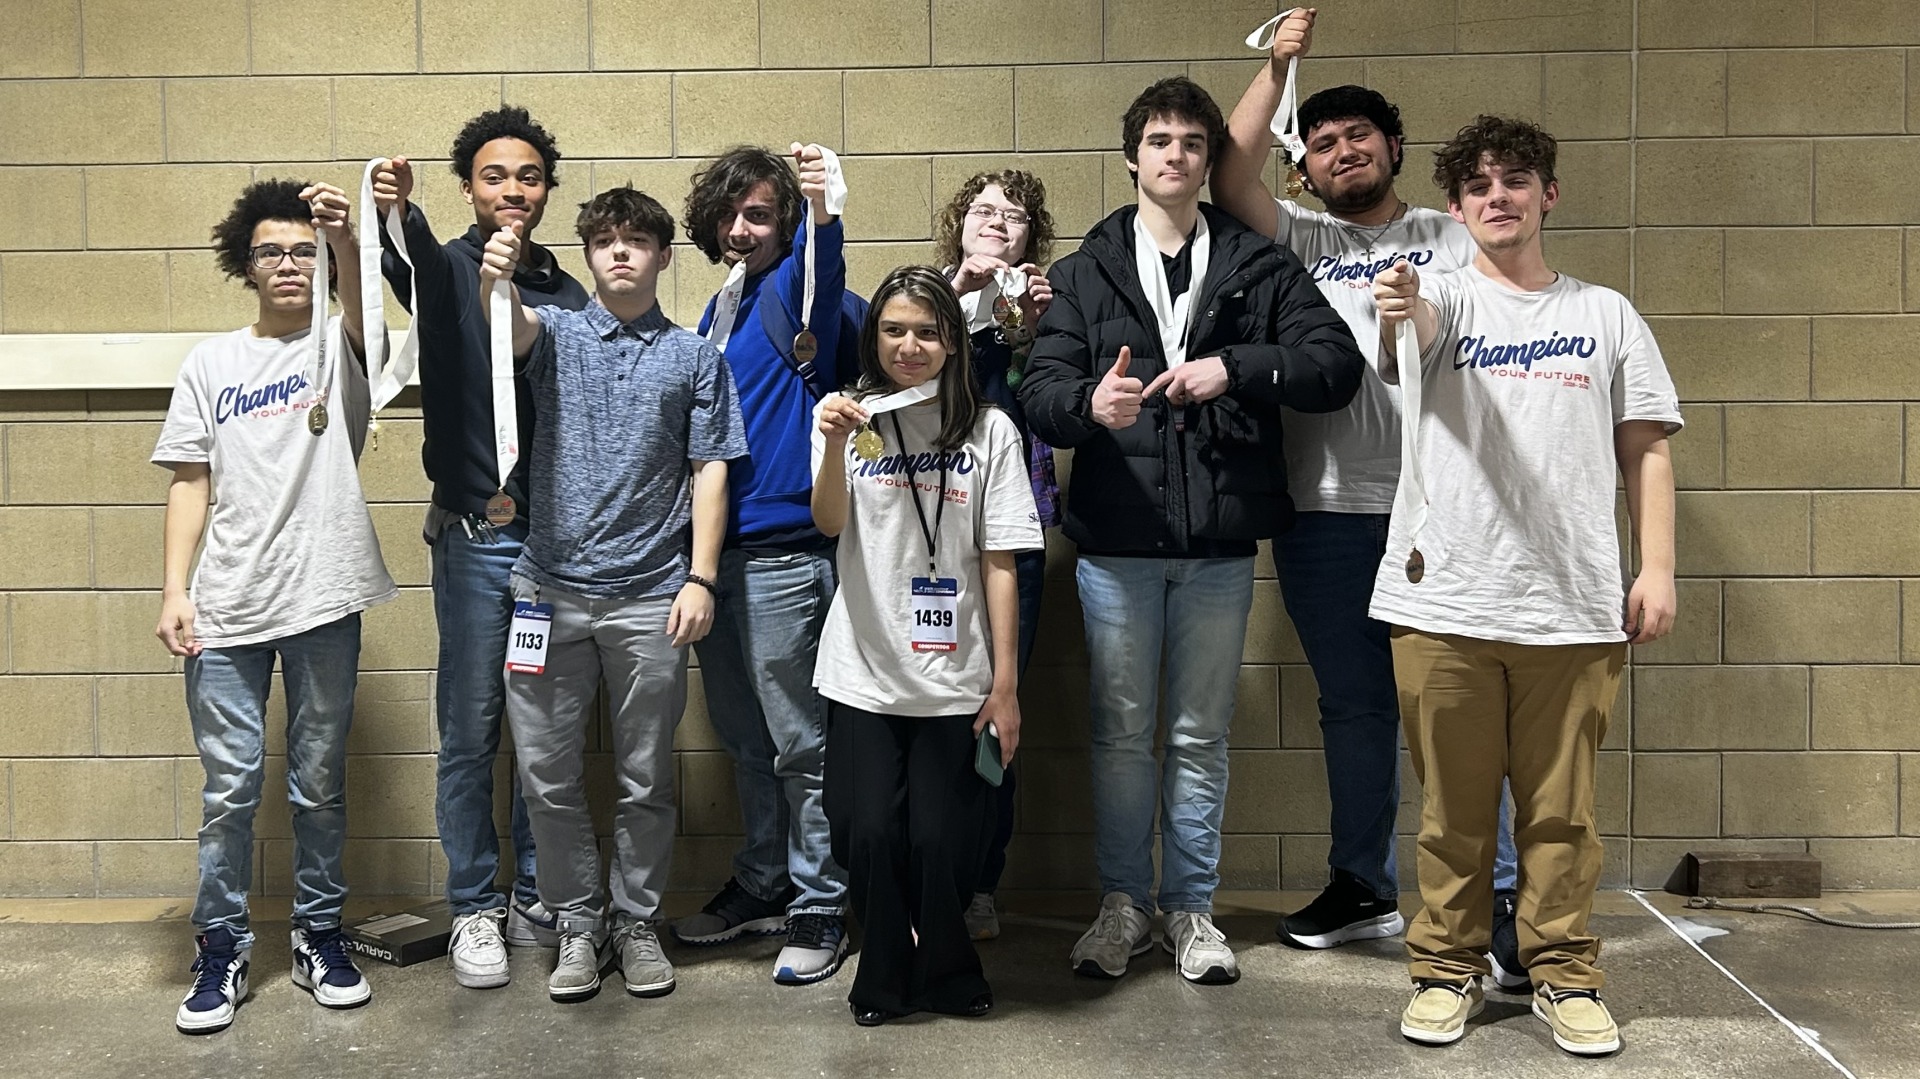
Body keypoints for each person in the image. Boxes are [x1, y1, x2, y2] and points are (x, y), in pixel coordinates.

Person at [1019, 76, 1364, 986]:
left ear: (1211, 160)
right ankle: (1125, 901)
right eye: (1160, 141)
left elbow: (1335, 367)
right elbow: (1039, 392)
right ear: (1133, 156)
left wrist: (1235, 366)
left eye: (1193, 144)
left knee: (1199, 734)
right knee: (1122, 731)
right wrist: (1088, 403)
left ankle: (1192, 909)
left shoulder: (1257, 262)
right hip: (1116, 544)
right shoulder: (1085, 270)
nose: (1175, 156)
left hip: (1217, 545)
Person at [1211, 8, 1521, 968]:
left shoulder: (1450, 233)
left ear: (1393, 147)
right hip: (1326, 515)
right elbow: (1227, 173)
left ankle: (1500, 896)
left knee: (1462, 706)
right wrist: (1278, 68)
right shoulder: (1298, 239)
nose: (1344, 151)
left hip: (1444, 509)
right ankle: (1362, 882)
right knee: (1354, 705)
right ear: (1306, 169)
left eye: (1360, 136)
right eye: (1325, 142)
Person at [1371, 115, 1679, 1055]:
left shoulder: (1607, 313)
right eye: (1477, 186)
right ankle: (1444, 970)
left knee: (1560, 817)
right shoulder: (1443, 301)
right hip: (1444, 602)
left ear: (1548, 194)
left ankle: (1564, 974)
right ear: (1457, 207)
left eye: (1516, 180)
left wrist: (1656, 565)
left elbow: (1647, 447)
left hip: (1575, 606)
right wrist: (1402, 302)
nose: (1496, 196)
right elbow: (1412, 335)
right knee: (1452, 813)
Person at [481, 186, 746, 1003]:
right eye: (604, 241)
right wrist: (497, 279)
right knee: (547, 778)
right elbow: (512, 327)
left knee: (644, 778)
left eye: (638, 240)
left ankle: (634, 921)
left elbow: (711, 469)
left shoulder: (696, 357)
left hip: (651, 599)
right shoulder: (554, 333)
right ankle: (576, 923)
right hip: (547, 595)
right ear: (588, 255)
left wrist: (700, 576)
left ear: (665, 255)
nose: (621, 252)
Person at [156, 178, 397, 1034]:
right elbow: (191, 482)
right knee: (229, 790)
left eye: (301, 250)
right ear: (246, 264)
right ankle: (220, 946)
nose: (288, 263)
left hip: (324, 599)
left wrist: (345, 238)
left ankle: (316, 933)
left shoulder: (339, 345)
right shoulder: (210, 364)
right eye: (272, 251)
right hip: (225, 608)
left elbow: (364, 308)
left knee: (318, 784)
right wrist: (175, 589)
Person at [371, 105, 590, 989]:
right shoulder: (444, 267)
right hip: (473, 543)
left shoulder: (567, 292)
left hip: (551, 545)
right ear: (469, 186)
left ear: (546, 191)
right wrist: (396, 209)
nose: (512, 189)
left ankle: (538, 893)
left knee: (546, 733)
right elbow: (403, 255)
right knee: (470, 729)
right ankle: (473, 906)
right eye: (495, 175)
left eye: (529, 176)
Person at [811, 265, 1043, 1025]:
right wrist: (830, 444)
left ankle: (947, 968)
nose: (910, 346)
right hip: (865, 668)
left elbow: (1001, 559)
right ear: (874, 336)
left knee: (944, 838)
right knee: (867, 831)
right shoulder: (855, 415)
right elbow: (829, 523)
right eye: (893, 329)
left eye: (928, 331)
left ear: (952, 340)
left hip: (956, 673)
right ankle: (880, 972)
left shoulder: (989, 429)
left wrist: (1004, 685)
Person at [672, 143, 858, 985]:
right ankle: (766, 877)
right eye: (731, 215)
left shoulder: (791, 287)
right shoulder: (724, 304)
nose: (743, 228)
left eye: (760, 214)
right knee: (747, 740)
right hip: (720, 557)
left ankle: (823, 900)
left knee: (799, 744)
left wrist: (823, 205)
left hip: (786, 555)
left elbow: (826, 265)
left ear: (783, 222)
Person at [932, 169, 1062, 940]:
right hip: (925, 537)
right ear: (959, 225)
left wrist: (1031, 327)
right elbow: (897, 381)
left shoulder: (1041, 308)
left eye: (1013, 216)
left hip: (1013, 535)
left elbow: (1030, 393)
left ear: (1029, 238)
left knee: (996, 712)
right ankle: (932, 870)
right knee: (930, 709)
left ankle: (983, 878)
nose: (996, 223)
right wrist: (955, 293)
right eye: (982, 210)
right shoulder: (922, 298)